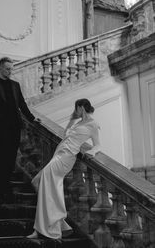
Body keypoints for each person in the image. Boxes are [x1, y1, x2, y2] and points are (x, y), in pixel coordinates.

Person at [27, 98, 100, 239]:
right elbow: (66, 134)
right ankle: (56, 222)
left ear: (81, 108)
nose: (75, 111)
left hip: (66, 158)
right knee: (36, 182)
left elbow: (98, 145)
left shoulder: (93, 125)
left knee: (44, 185)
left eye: (76, 109)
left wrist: (91, 152)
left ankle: (43, 228)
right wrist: (72, 119)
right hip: (59, 155)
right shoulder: (79, 122)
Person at [0, 57, 40, 200]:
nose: (10, 71)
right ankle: (2, 186)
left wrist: (32, 118)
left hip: (15, 124)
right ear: (1, 68)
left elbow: (22, 104)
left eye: (11, 69)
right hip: (1, 125)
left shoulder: (15, 85)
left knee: (12, 155)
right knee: (4, 154)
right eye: (7, 69)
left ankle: (6, 183)